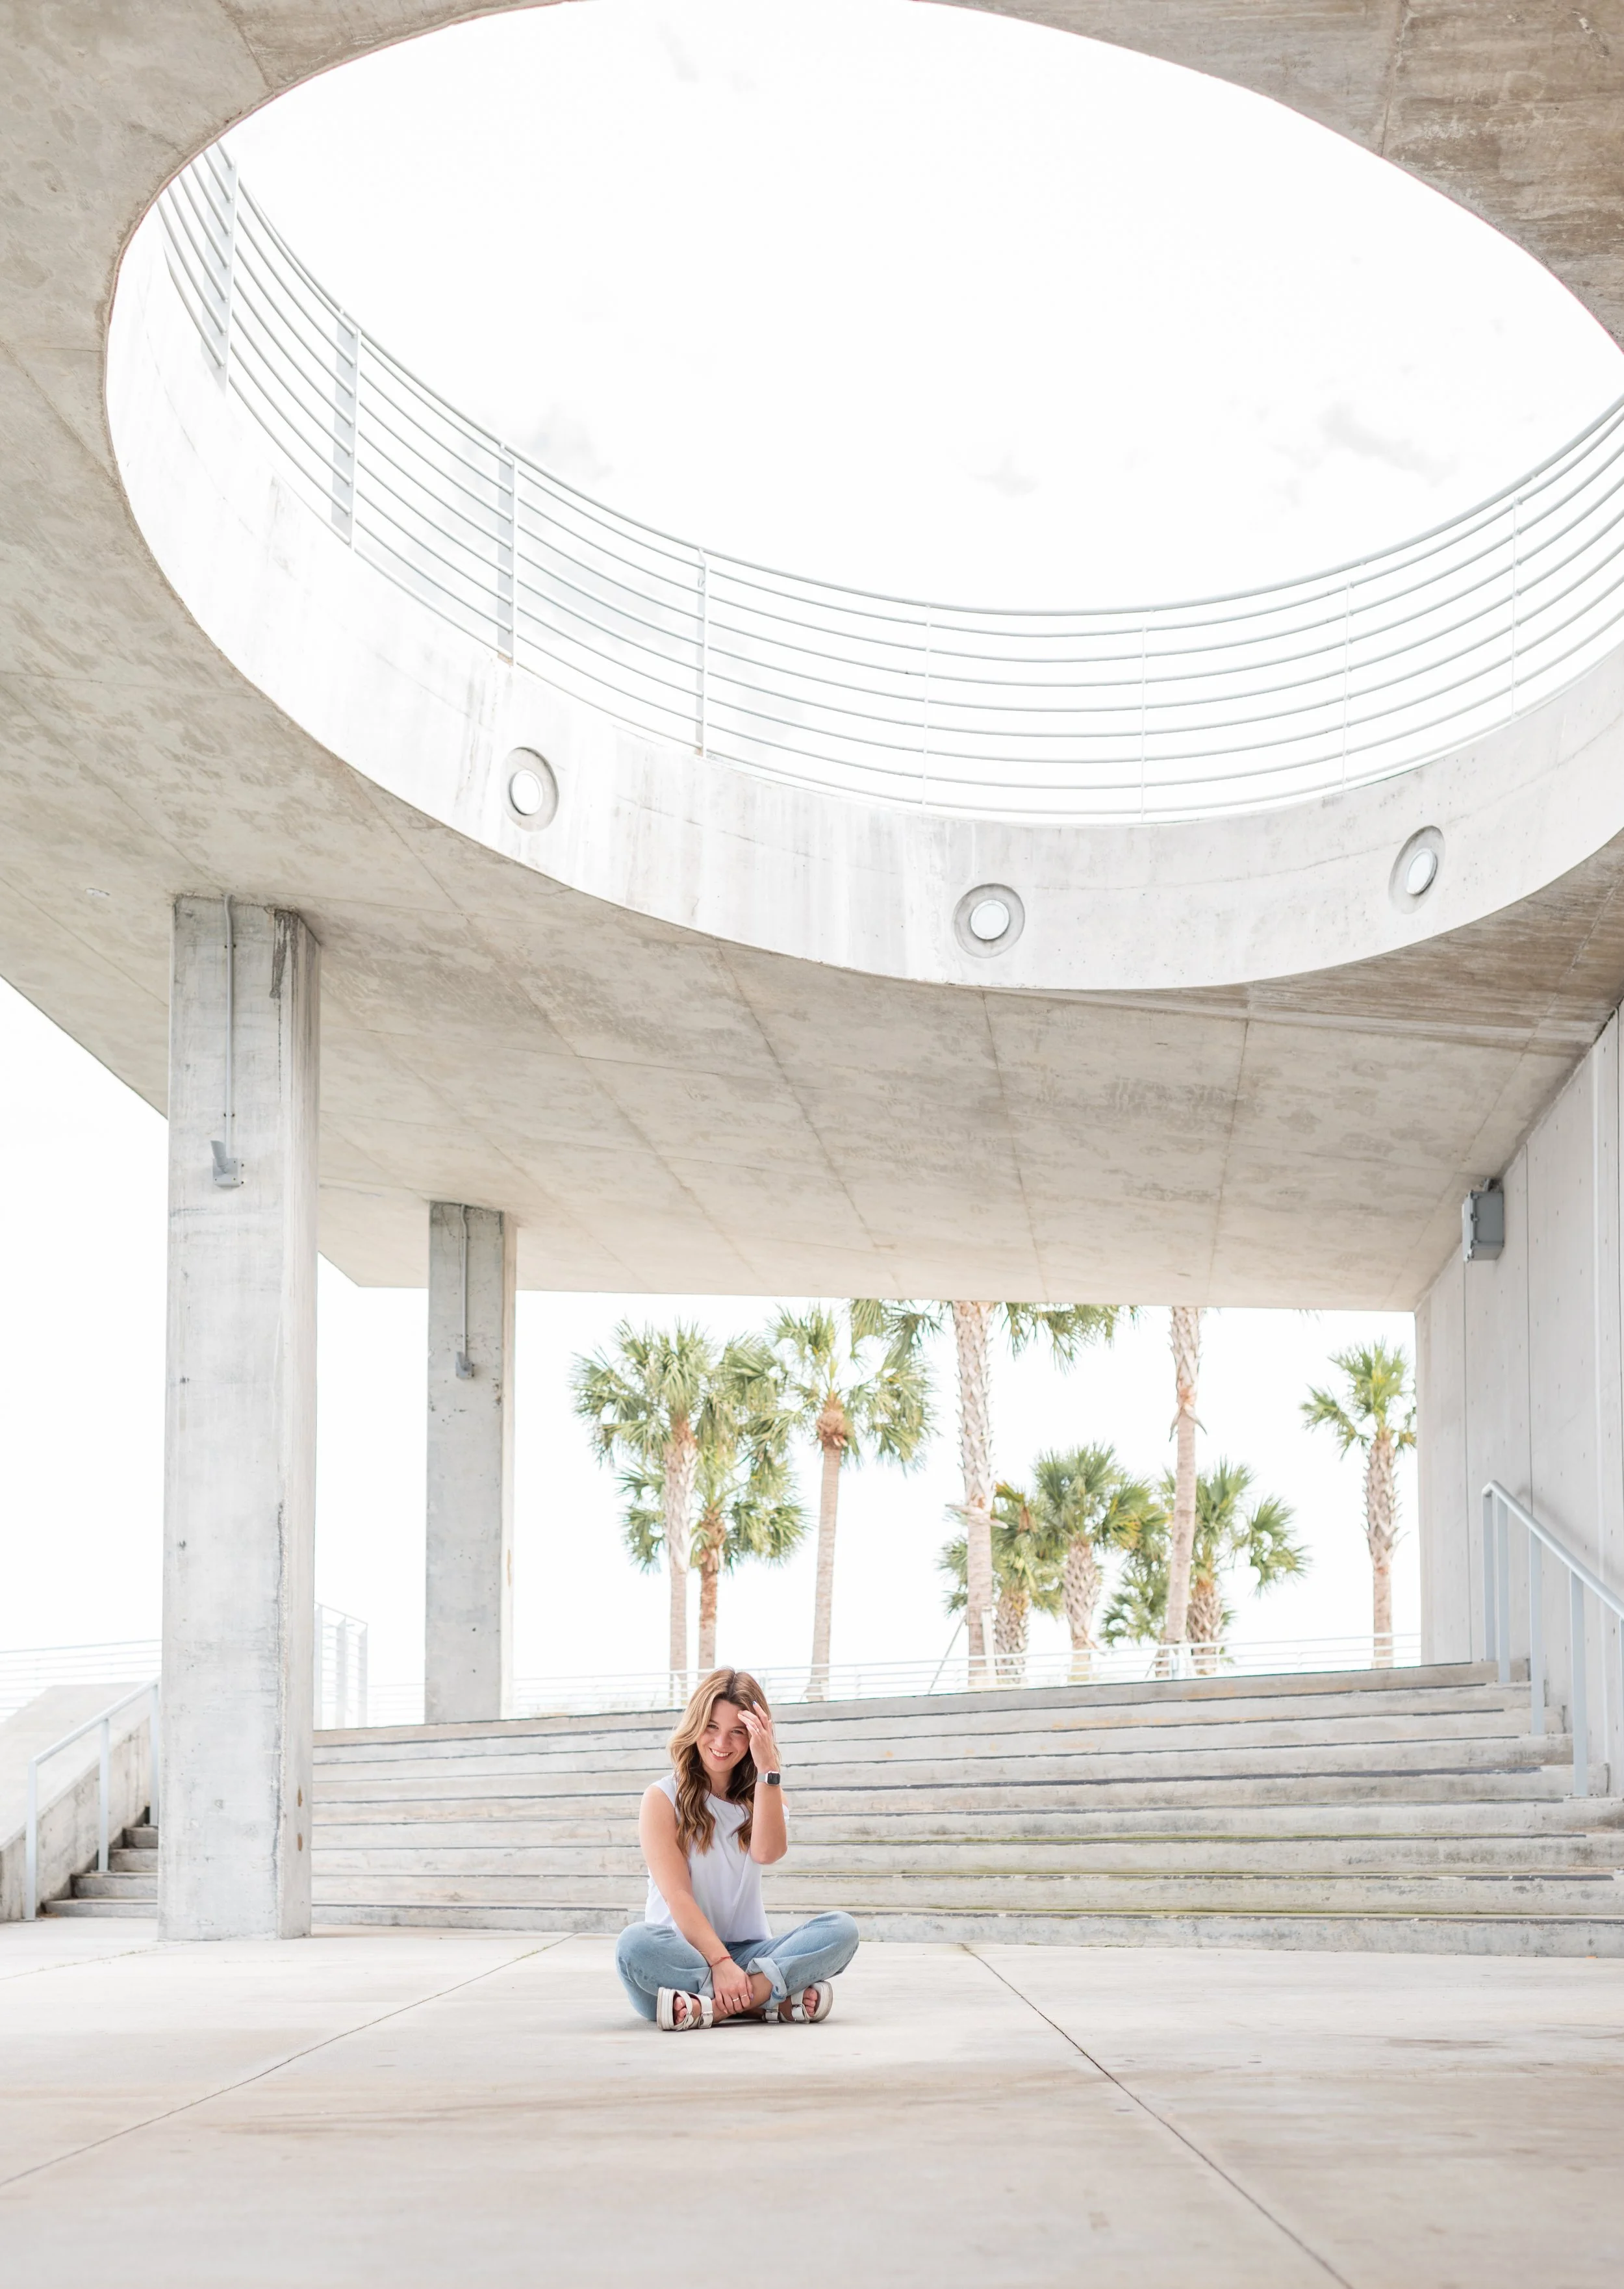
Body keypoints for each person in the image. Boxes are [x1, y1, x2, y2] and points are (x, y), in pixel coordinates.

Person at [615, 1666, 859, 2030]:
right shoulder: (662, 1797)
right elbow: (678, 1895)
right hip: (680, 1956)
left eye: (738, 1733)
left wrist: (769, 1768)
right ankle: (765, 2002)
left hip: (748, 1953)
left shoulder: (765, 1794)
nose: (721, 1743)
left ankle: (708, 2007)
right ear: (695, 1725)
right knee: (635, 1944)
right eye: (711, 1727)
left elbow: (768, 1853)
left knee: (842, 1930)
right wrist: (719, 1963)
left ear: (755, 1737)